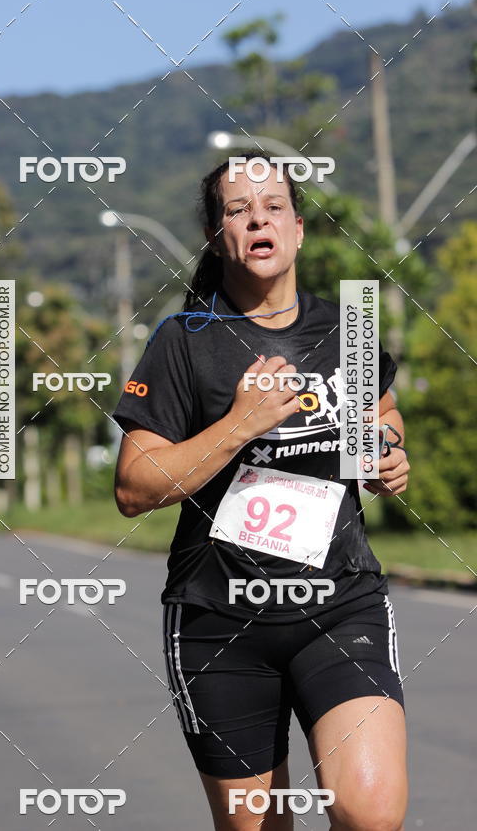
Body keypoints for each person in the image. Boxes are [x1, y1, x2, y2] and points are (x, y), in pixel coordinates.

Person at [112, 153, 410, 831]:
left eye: (273, 206)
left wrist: (390, 455)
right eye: (239, 210)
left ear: (298, 229)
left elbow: (383, 415)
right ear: (220, 238)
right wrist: (238, 424)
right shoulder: (184, 344)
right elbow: (133, 487)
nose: (258, 219)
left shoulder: (345, 331)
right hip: (220, 625)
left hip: (340, 606)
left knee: (371, 811)